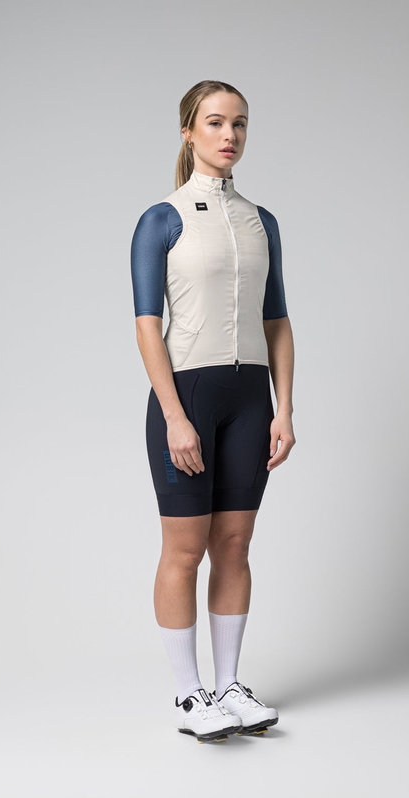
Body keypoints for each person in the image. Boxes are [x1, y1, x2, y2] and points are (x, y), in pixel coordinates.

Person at [130, 80, 296, 743]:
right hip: (189, 398)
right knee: (185, 549)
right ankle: (188, 694)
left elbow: (277, 320)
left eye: (240, 124)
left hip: (251, 400)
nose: (230, 135)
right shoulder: (162, 220)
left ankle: (228, 686)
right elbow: (147, 325)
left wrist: (284, 409)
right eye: (216, 123)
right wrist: (175, 416)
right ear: (188, 131)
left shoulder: (262, 222)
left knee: (234, 545)